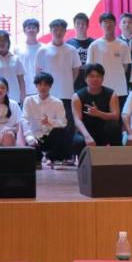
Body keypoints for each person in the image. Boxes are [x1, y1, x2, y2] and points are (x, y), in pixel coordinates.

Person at [35, 18, 81, 158]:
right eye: (55, 30)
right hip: (49, 95)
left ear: (65, 32)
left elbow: (76, 70)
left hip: (66, 94)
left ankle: (67, 156)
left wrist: (67, 83)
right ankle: (51, 155)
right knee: (48, 124)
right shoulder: (43, 50)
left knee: (67, 125)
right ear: (51, 31)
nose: (58, 32)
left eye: (61, 30)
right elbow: (39, 73)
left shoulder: (71, 50)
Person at [22, 72, 70, 167]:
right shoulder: (29, 100)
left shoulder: (57, 102)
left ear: (50, 86)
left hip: (51, 136)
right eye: (40, 84)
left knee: (60, 132)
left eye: (45, 84)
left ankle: (54, 158)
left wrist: (50, 121)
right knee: (35, 164)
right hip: (35, 137)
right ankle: (40, 158)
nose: (42, 87)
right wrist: (29, 136)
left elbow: (63, 122)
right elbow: (24, 119)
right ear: (36, 86)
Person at [71, 63, 121, 156]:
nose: (95, 79)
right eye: (91, 76)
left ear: (102, 79)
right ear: (85, 79)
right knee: (78, 141)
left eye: (98, 76)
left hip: (104, 130)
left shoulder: (111, 94)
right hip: (87, 130)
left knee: (114, 126)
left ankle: (116, 157)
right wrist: (87, 137)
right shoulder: (77, 96)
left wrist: (99, 113)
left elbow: (116, 116)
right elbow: (77, 121)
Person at [86, 13, 132, 100]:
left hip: (119, 88)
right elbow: (90, 67)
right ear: (100, 25)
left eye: (110, 22)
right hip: (99, 88)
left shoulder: (123, 45)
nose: (108, 25)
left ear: (115, 24)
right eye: (105, 22)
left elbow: (125, 66)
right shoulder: (94, 45)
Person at [0, 31, 27, 104]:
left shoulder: (16, 58)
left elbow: (21, 80)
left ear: (8, 42)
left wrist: (23, 96)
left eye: (4, 40)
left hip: (14, 97)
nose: (2, 43)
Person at [66, 13, 95, 91]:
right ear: (74, 26)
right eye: (78, 23)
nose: (81, 26)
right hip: (74, 81)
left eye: (83, 24)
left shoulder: (94, 43)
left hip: (91, 81)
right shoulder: (68, 44)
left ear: (87, 25)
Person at [17, 19, 43, 98]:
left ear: (38, 30)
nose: (31, 30)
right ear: (24, 30)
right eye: (29, 28)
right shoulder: (18, 48)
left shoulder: (44, 48)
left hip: (41, 88)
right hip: (23, 89)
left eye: (34, 27)